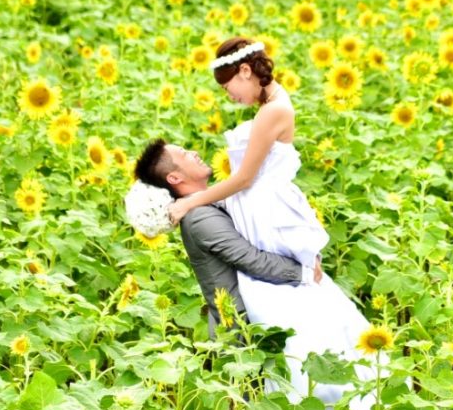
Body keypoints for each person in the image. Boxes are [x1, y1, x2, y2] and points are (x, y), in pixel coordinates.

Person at [165, 37, 393, 410]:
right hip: (259, 209)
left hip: (267, 212)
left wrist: (190, 203)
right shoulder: (269, 105)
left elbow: (245, 178)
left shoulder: (274, 111)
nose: (228, 95)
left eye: (227, 85)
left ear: (246, 72)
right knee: (283, 305)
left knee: (284, 302)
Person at [133, 139, 321, 339]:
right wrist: (306, 273)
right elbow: (252, 260)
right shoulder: (199, 218)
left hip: (256, 320)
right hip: (242, 334)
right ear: (174, 178)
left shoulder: (204, 205)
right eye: (185, 153)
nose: (194, 151)